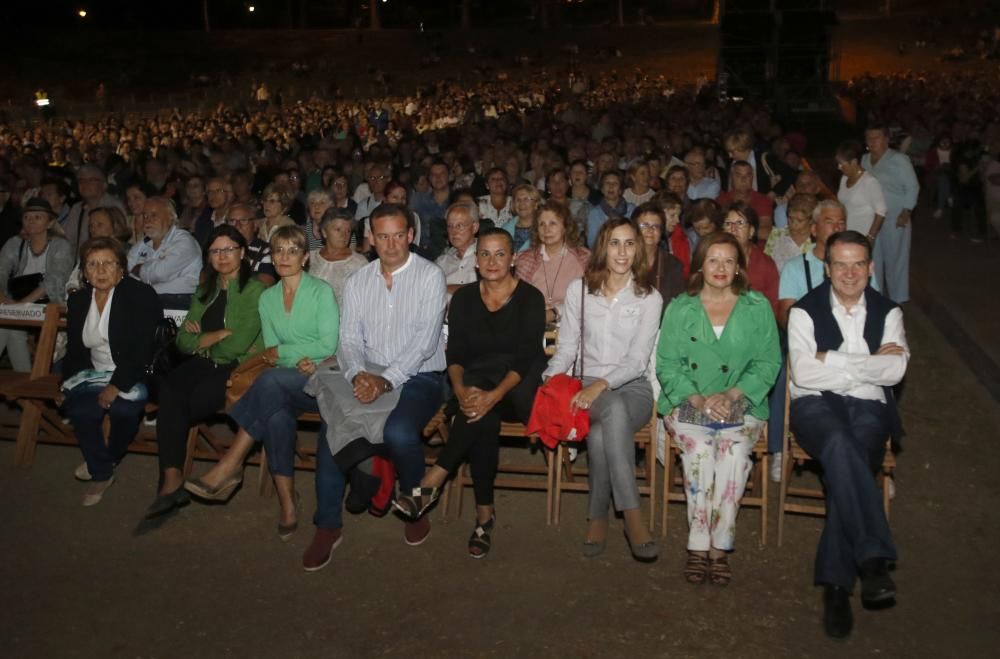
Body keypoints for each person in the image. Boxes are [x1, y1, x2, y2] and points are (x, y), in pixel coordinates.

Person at [303, 203, 446, 570]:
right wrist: (357, 375)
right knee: (333, 427)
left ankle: (414, 504)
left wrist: (385, 380)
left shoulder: (430, 276)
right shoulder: (358, 281)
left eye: (399, 234)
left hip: (420, 375)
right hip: (368, 372)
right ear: (370, 238)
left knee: (399, 432)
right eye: (382, 236)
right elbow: (348, 339)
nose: (391, 244)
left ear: (411, 236)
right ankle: (328, 524)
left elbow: (424, 344)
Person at [394, 228, 546, 558]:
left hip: (518, 389)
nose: (492, 261)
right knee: (480, 417)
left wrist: (485, 396)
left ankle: (434, 477)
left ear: (514, 258)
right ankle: (484, 516)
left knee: (481, 400)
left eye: (500, 253)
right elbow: (457, 354)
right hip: (477, 390)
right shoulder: (463, 299)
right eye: (485, 254)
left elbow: (524, 358)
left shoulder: (531, 298)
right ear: (475, 261)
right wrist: (461, 390)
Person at [788, 230, 908, 639]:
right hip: (815, 405)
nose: (850, 272)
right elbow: (803, 373)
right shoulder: (804, 311)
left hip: (870, 408)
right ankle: (872, 559)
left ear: (871, 268)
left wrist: (832, 360)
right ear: (827, 268)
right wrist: (868, 362)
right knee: (841, 444)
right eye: (841, 264)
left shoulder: (889, 312)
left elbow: (895, 371)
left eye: (858, 263)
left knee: (848, 456)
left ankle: (837, 588)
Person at [185, 225, 338, 539]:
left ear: (304, 257)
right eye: (278, 250)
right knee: (276, 415)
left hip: (323, 380)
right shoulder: (267, 299)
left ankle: (232, 462)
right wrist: (295, 358)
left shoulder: (321, 291)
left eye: (292, 250)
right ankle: (287, 504)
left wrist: (292, 356)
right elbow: (270, 349)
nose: (284, 257)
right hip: (289, 378)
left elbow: (328, 345)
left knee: (269, 381)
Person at [657, 231, 780, 586]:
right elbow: (667, 364)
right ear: (700, 265)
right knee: (699, 453)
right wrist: (697, 398)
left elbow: (769, 362)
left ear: (739, 266)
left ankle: (719, 546)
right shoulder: (681, 307)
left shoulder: (756, 307)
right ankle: (698, 544)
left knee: (735, 454)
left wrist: (732, 394)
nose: (721, 267)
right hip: (688, 401)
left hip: (742, 403)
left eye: (729, 260)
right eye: (713, 259)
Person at [543, 217, 662, 562]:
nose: (622, 252)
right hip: (585, 386)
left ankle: (601, 518)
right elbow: (566, 349)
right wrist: (552, 379)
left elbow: (639, 359)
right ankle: (632, 517)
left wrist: (602, 385)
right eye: (614, 243)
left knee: (603, 430)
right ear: (602, 248)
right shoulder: (579, 291)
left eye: (629, 243)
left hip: (633, 388)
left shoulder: (649, 297)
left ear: (638, 248)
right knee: (612, 413)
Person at [144, 224, 266, 518]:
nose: (222, 256)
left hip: (237, 367)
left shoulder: (255, 290)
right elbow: (183, 341)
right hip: (203, 361)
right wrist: (212, 337)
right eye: (215, 250)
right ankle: (172, 479)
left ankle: (171, 481)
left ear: (242, 253)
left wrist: (205, 341)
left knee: (180, 403)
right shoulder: (205, 290)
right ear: (208, 256)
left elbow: (237, 345)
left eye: (229, 249)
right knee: (171, 387)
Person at [62, 237, 162, 506]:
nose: (101, 270)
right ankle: (103, 471)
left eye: (108, 263)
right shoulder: (79, 300)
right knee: (81, 409)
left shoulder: (140, 295)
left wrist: (116, 386)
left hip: (134, 372)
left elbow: (142, 350)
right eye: (92, 264)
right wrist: (69, 384)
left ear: (122, 268)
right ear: (83, 272)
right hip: (93, 373)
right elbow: (74, 352)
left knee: (124, 410)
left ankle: (107, 457)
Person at [0, 198, 74, 371]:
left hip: (50, 306)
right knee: (8, 328)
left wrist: (21, 304)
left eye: (37, 217)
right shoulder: (14, 243)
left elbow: (55, 279)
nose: (31, 221)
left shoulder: (61, 245)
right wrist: (3, 299)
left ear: (50, 223)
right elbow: (1, 271)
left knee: (7, 324)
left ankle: (25, 388)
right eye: (27, 217)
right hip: (17, 305)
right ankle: (26, 386)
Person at [861, 125, 919, 303]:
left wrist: (906, 210)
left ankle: (897, 300)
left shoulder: (899, 159)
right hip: (871, 218)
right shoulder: (864, 159)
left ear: (886, 139)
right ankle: (875, 297)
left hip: (895, 216)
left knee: (896, 260)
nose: (872, 142)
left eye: (876, 138)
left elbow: (912, 186)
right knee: (872, 259)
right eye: (869, 138)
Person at [515, 200, 590, 326]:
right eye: (541, 224)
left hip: (575, 328)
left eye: (553, 223)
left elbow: (590, 302)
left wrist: (555, 312)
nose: (546, 230)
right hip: (533, 328)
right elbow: (518, 301)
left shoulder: (584, 259)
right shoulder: (525, 259)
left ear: (566, 227)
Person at [127, 197, 202, 310]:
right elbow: (124, 269)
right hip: (147, 299)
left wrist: (139, 269)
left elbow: (159, 273)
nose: (147, 220)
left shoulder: (184, 240)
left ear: (170, 218)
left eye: (154, 215)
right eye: (145, 216)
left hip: (180, 302)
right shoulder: (143, 244)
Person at [723, 201, 780, 318]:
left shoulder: (765, 264)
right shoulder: (711, 259)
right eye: (728, 224)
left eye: (740, 223)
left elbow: (772, 308)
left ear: (751, 231)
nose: (733, 229)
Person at [66, 206, 134, 293]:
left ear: (115, 226)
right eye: (91, 226)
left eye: (99, 225)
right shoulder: (89, 252)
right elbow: (73, 280)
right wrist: (74, 292)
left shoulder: (129, 252)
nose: (93, 229)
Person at [308, 207, 368, 305]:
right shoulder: (310, 257)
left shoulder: (359, 263)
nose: (344, 235)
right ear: (324, 232)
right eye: (338, 229)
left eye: (348, 231)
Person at [632, 202, 685, 312]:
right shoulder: (623, 260)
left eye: (656, 226)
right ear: (634, 229)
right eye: (645, 225)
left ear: (661, 232)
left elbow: (678, 306)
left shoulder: (673, 265)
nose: (650, 230)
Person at [836, 140, 887, 240]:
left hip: (861, 236)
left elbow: (881, 212)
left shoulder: (869, 182)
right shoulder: (844, 178)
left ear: (854, 162)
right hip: (845, 233)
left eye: (842, 164)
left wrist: (871, 237)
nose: (839, 167)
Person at [717, 161, 775, 241]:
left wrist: (734, 231)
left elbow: (766, 232)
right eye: (738, 175)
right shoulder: (721, 200)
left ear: (752, 177)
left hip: (756, 247)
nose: (743, 180)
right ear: (731, 178)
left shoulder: (763, 200)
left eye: (748, 175)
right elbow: (716, 231)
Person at [436, 202, 480, 296]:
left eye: (459, 226)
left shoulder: (486, 256)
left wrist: (446, 288)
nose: (454, 232)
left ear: (475, 227)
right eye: (450, 226)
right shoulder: (441, 262)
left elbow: (489, 288)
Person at [765, 193, 816, 271]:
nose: (793, 224)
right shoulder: (776, 234)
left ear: (811, 220)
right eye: (790, 218)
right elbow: (766, 263)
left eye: (799, 220)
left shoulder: (816, 241)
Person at [586, 170, 634, 247]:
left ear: (621, 189)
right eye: (607, 183)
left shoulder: (632, 210)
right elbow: (592, 243)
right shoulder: (594, 213)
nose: (611, 186)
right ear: (602, 189)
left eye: (615, 183)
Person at [501, 183, 541, 253]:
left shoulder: (544, 228)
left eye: (526, 199)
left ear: (536, 204)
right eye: (518, 200)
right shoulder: (505, 229)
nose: (522, 203)